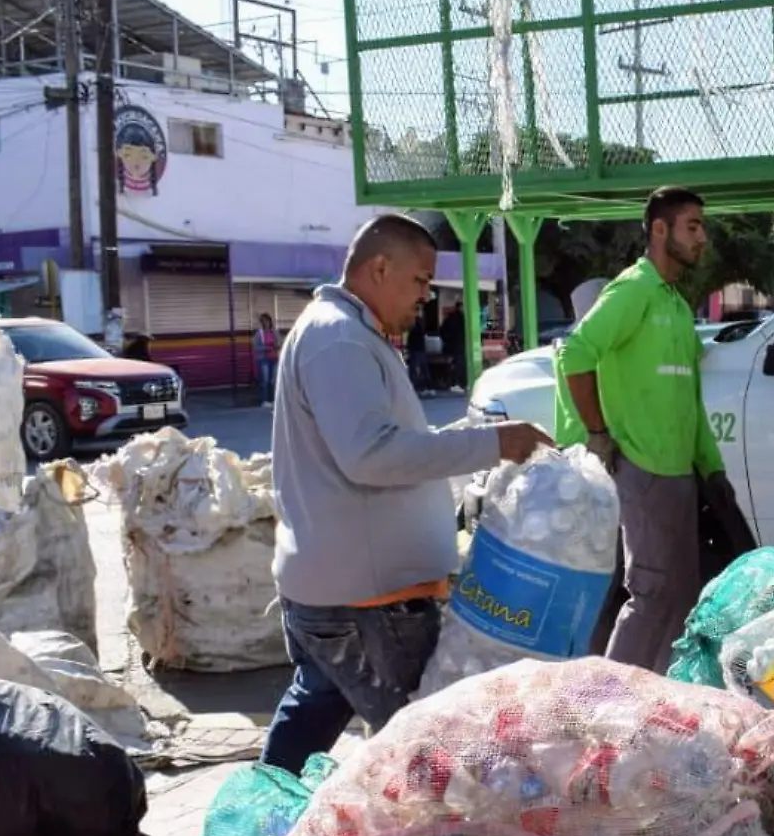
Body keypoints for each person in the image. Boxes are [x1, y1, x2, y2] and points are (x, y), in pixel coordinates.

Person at [261, 213, 553, 775]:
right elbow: (372, 455)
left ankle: (264, 822)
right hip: (365, 601)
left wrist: (477, 440)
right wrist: (490, 445)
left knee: (316, 712)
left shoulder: (349, 333)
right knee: (421, 746)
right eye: (420, 281)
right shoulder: (339, 338)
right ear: (379, 267)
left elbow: (392, 444)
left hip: (347, 589)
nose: (427, 295)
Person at [554, 185, 732, 674]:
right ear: (660, 229)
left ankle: (658, 705)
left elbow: (688, 401)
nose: (702, 238)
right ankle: (604, 704)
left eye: (702, 227)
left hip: (678, 475)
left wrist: (712, 471)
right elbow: (575, 353)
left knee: (683, 600)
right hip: (641, 469)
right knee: (652, 596)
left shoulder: (674, 304)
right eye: (692, 226)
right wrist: (597, 431)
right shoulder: (633, 290)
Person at [253, 312, 281, 405]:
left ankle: (272, 400)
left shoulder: (274, 332)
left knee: (273, 381)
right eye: (263, 321)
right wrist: (266, 348)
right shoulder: (259, 334)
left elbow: (279, 343)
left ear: (270, 321)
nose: (266, 323)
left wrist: (277, 346)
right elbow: (256, 347)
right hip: (263, 359)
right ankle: (264, 400)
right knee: (264, 380)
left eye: (267, 321)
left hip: (274, 358)